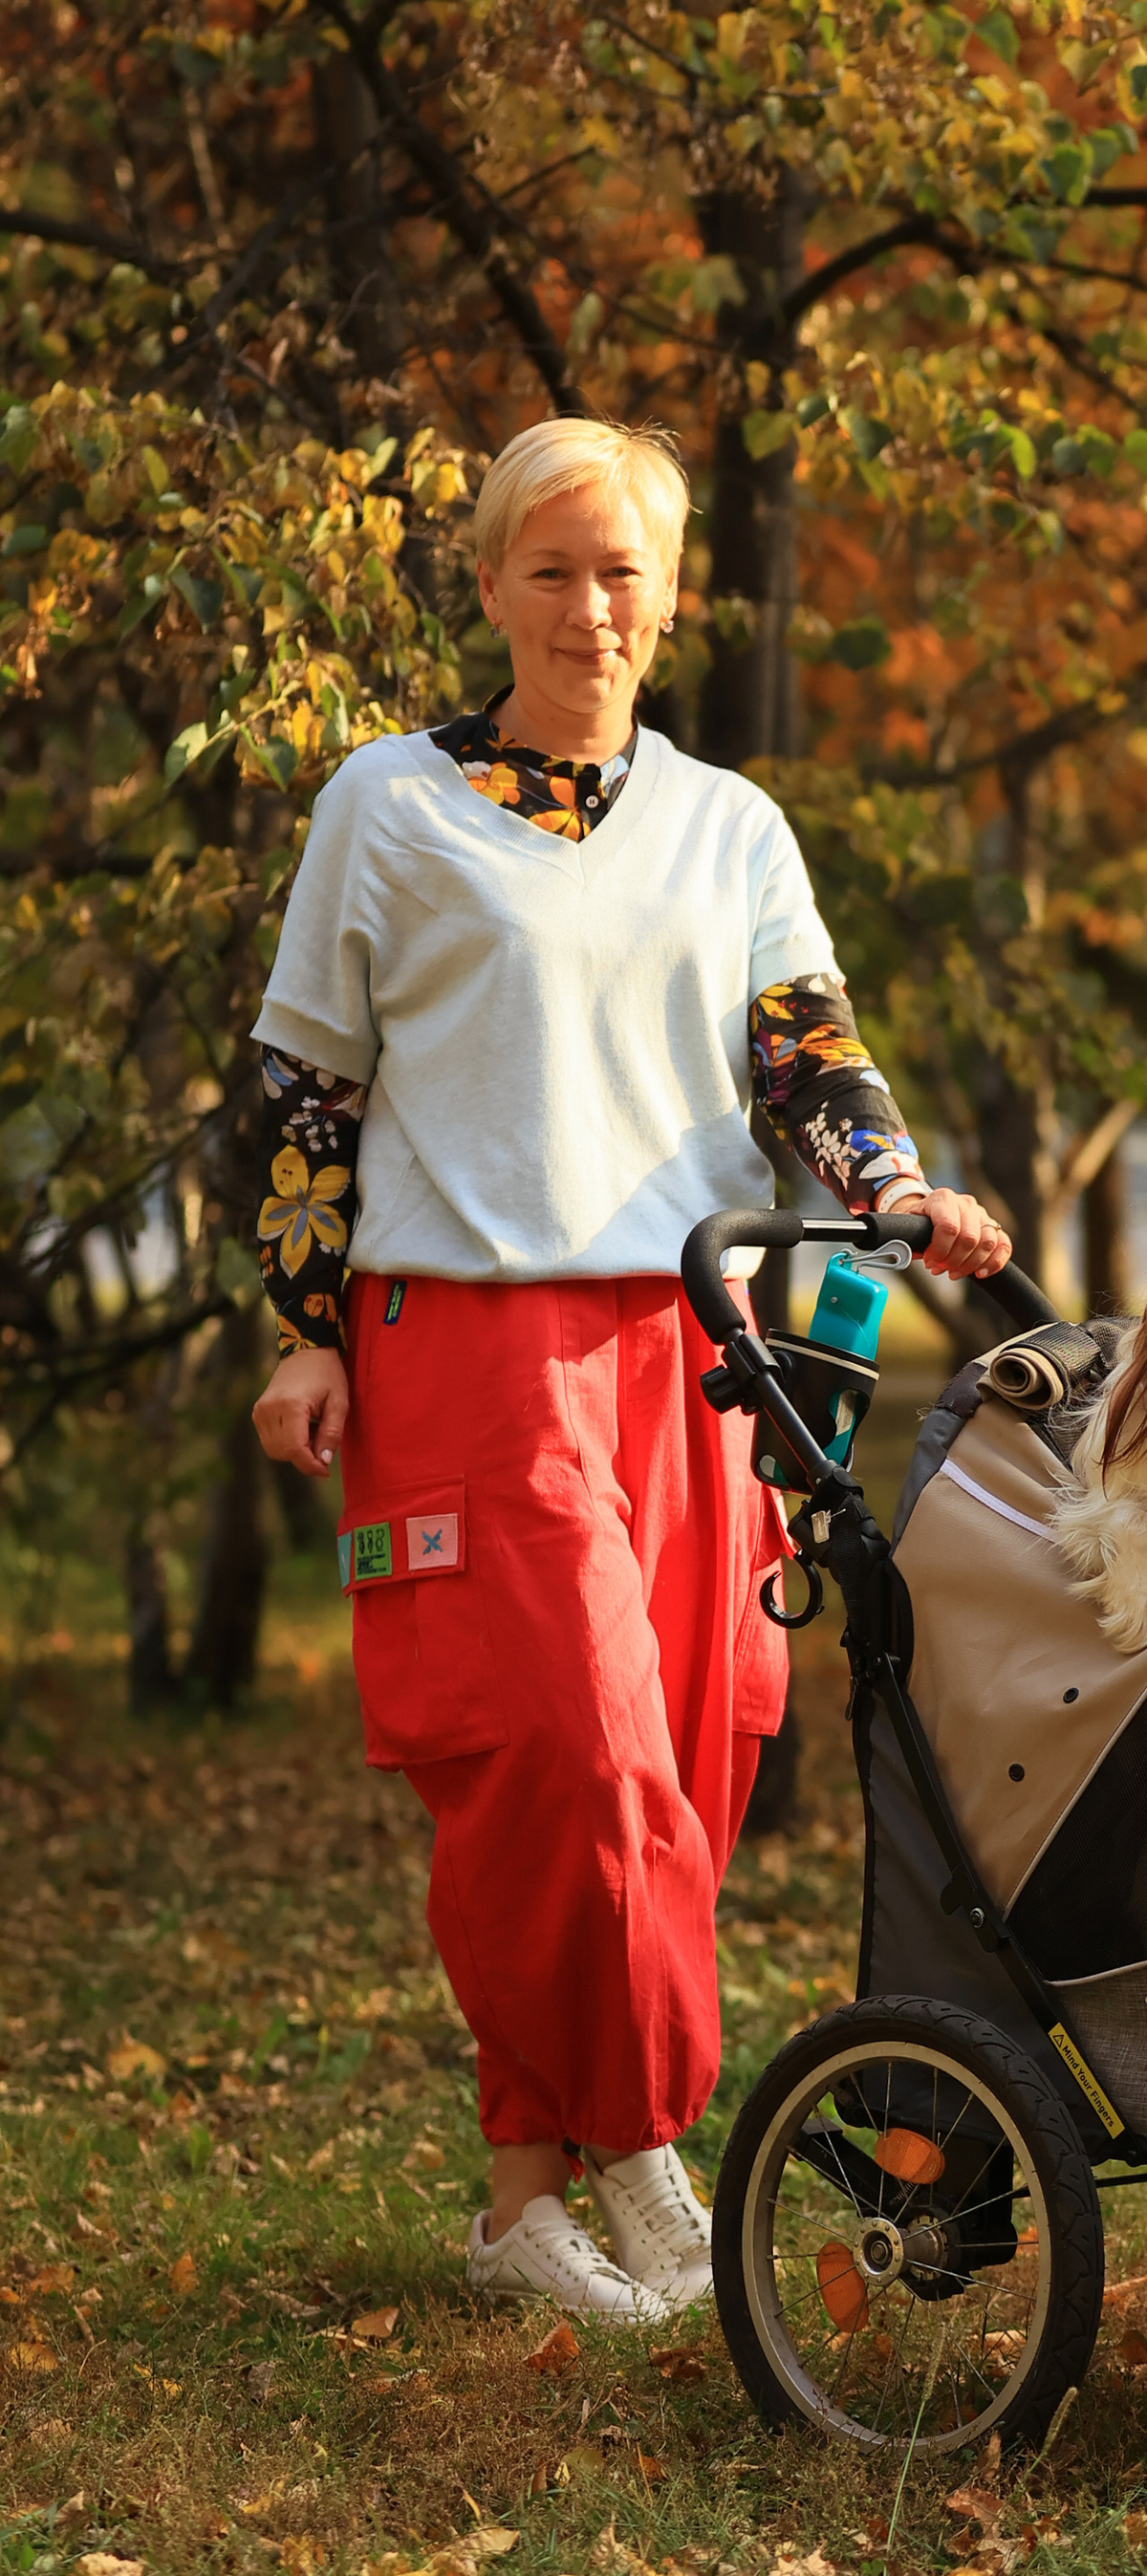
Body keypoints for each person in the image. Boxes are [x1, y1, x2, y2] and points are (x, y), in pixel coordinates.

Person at [250, 415, 1008, 2324]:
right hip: (467, 1340)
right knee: (561, 1754)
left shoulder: (727, 827)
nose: (591, 609)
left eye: (626, 574)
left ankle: (527, 2195)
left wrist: (899, 1195)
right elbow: (305, 1095)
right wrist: (296, 1325)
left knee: (679, 1757)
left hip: (701, 1340)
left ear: (669, 599)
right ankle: (655, 2145)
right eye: (554, 569)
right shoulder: (387, 805)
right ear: (492, 581)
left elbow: (807, 1058)